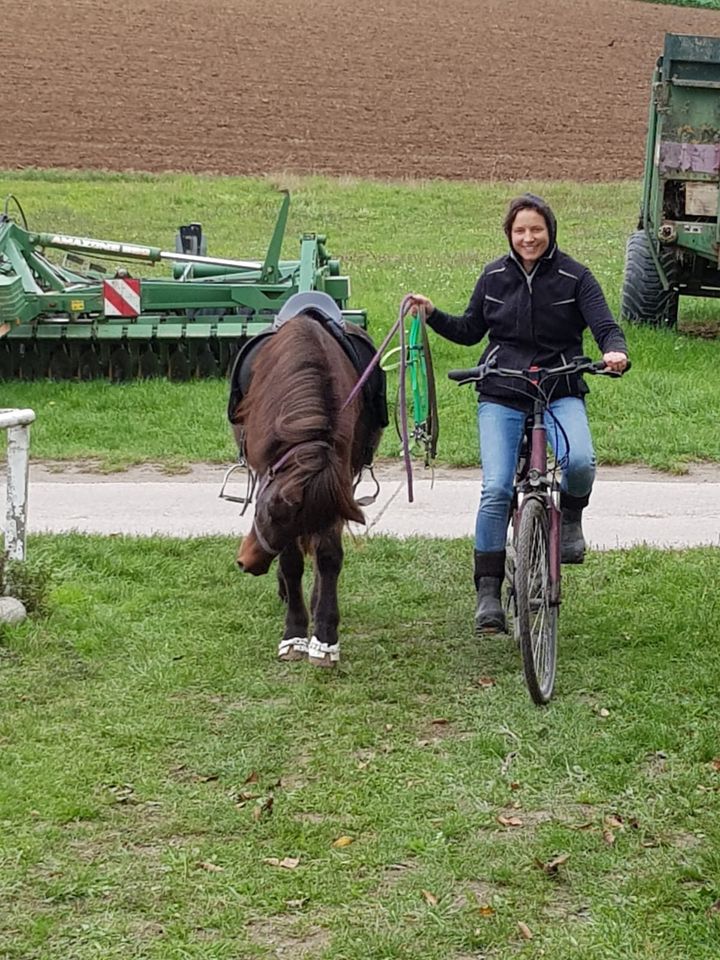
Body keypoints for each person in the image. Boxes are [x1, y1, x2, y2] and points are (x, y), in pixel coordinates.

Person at [407, 193, 628, 635]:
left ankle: (570, 521)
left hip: (559, 387)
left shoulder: (576, 276)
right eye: (520, 230)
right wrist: (431, 315)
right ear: (509, 235)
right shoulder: (493, 276)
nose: (528, 238)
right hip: (502, 391)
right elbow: (470, 331)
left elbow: (604, 324)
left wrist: (613, 350)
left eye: (536, 229)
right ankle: (488, 591)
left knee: (581, 461)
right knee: (494, 490)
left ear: (550, 231)